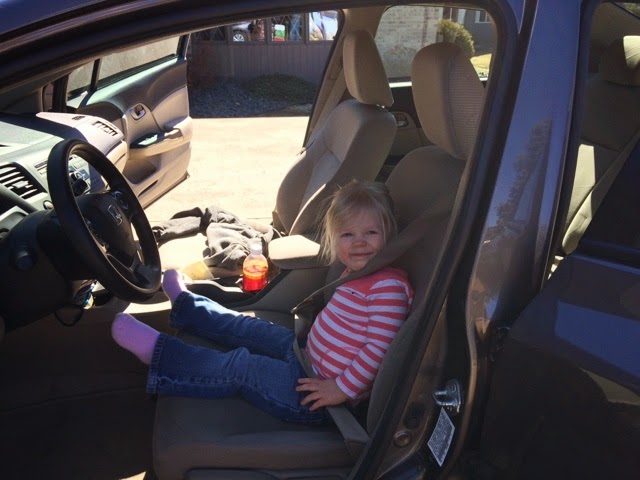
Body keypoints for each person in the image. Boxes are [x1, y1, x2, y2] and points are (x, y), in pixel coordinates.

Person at [111, 180, 414, 425]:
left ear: (389, 235)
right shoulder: (359, 272)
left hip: (317, 397)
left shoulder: (388, 287)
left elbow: (379, 348)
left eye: (371, 232)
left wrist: (341, 388)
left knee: (243, 366)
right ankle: (187, 306)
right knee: (248, 327)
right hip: (306, 354)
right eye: (348, 234)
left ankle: (161, 354)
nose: (359, 242)